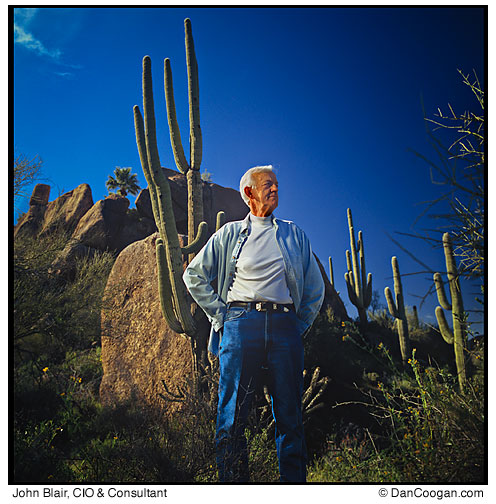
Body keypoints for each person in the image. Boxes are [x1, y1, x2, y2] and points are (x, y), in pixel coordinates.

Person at [183, 165, 324, 482]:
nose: (275, 189)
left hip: (285, 328)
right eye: (268, 185)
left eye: (276, 184)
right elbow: (193, 275)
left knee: (290, 416)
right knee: (231, 415)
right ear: (249, 193)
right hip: (240, 323)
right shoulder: (229, 234)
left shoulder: (294, 234)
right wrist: (222, 317)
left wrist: (296, 328)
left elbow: (315, 290)